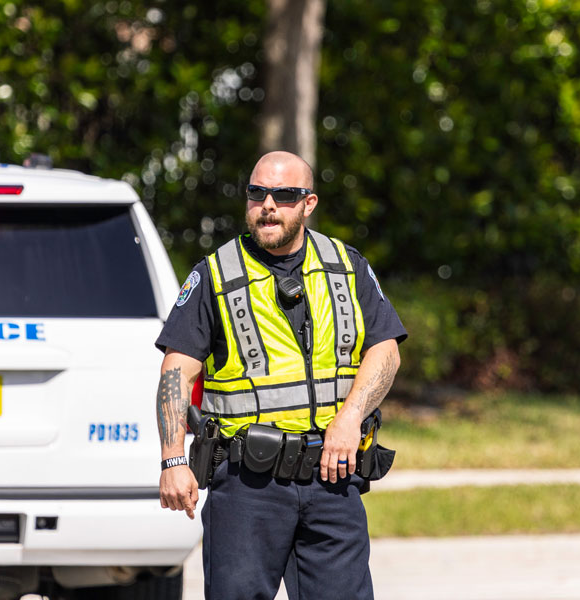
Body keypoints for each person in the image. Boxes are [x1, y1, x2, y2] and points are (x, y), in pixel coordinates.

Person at [154, 151, 406, 600]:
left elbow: (385, 350)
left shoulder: (345, 265)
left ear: (308, 204)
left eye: (283, 195)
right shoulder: (214, 275)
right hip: (248, 484)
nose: (267, 205)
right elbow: (177, 369)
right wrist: (173, 458)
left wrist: (349, 420)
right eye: (257, 193)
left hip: (334, 475)